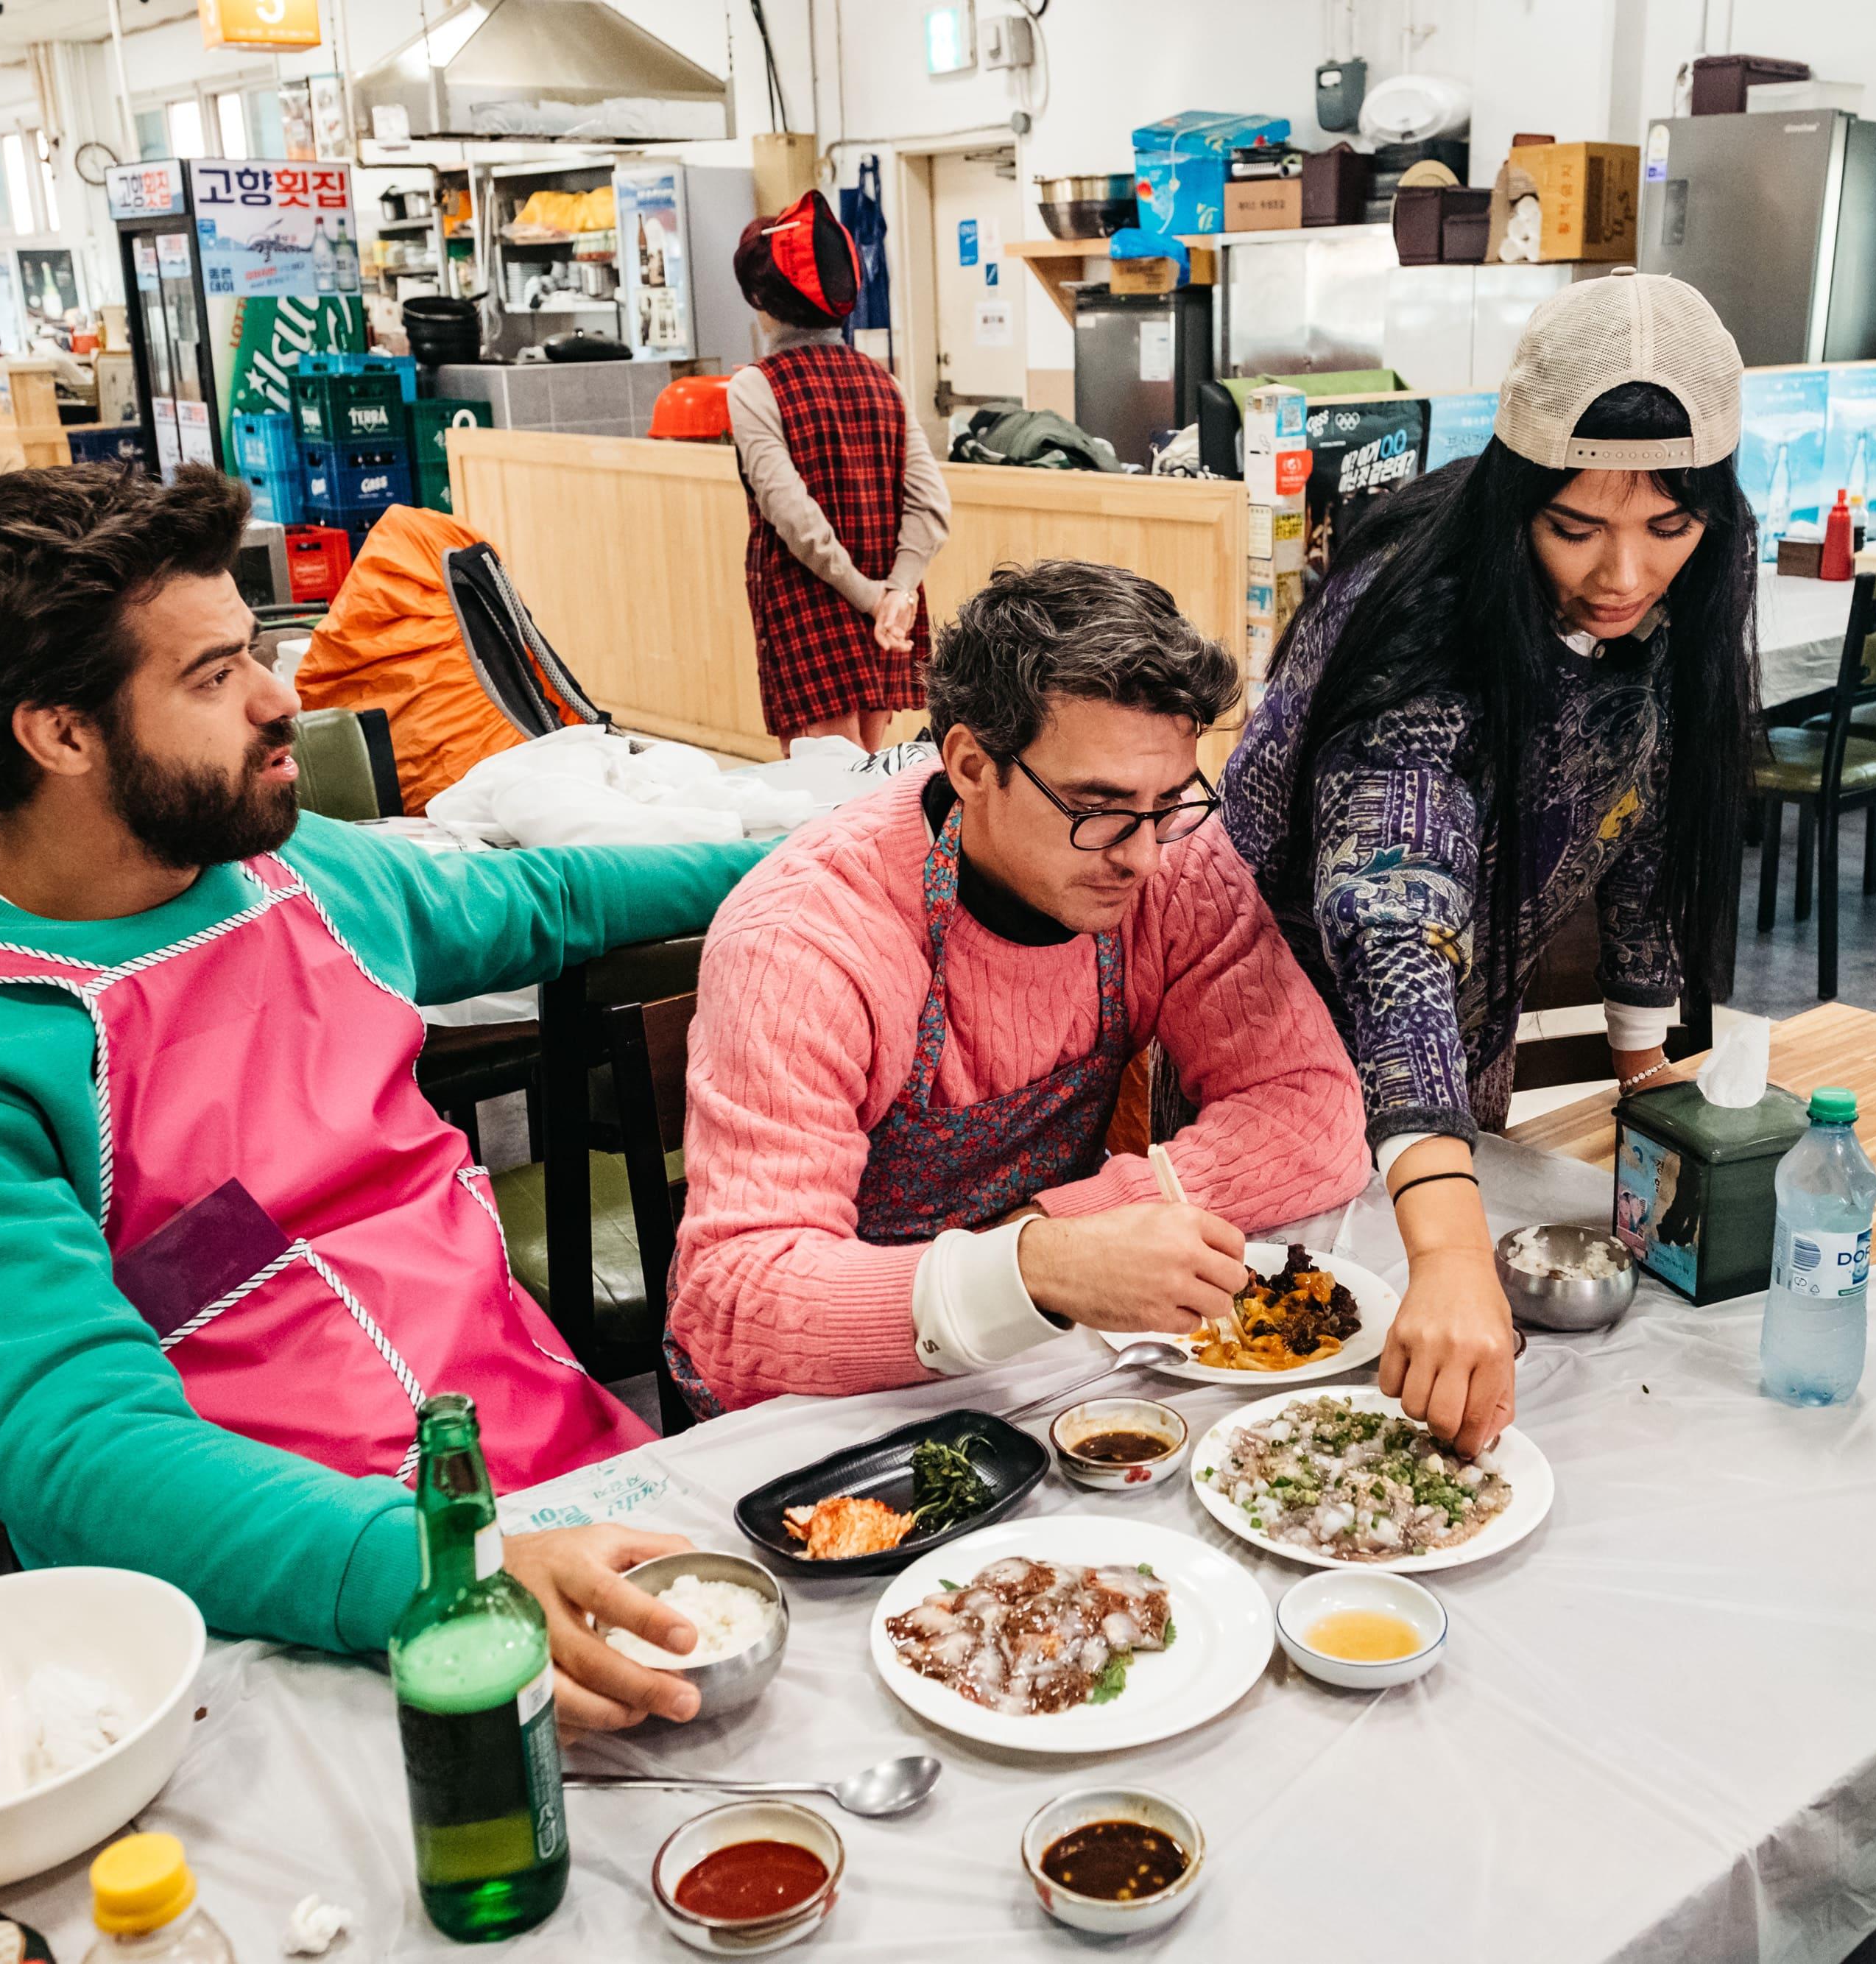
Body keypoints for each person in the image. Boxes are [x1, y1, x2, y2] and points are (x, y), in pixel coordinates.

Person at [0, 466, 772, 1731]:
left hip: (568, 1482)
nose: (280, 698)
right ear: (60, 734)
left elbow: (552, 898)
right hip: (264, 1618)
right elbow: (80, 1446)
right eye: (213, 676)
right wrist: (436, 1569)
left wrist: (808, 855)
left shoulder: (306, 877)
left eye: (256, 650)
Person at [1221, 270, 1758, 1457]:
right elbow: (1394, 912)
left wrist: (1647, 1074)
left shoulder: (1695, 580)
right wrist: (1454, 1247)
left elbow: (1645, 803)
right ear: (1520, 494)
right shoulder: (1425, 603)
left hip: (1458, 1055)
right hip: (1266, 1035)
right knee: (1274, 1371)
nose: (1626, 575)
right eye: (1577, 527)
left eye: (1667, 528)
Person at [666, 560, 1371, 1414]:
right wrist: (1028, 1268)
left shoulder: (1174, 861)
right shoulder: (805, 941)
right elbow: (738, 1309)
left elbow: (1312, 1115)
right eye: (1096, 806)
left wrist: (1058, 1231)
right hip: (826, 1386)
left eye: (1168, 802)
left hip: (1047, 1341)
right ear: (970, 764)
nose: (1143, 857)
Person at [728, 189, 949, 754]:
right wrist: (897, 591)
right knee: (870, 777)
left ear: (764, 298)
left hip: (810, 609)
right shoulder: (884, 381)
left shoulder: (755, 386)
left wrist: (872, 597)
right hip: (886, 615)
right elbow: (931, 503)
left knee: (824, 788)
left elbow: (793, 515)